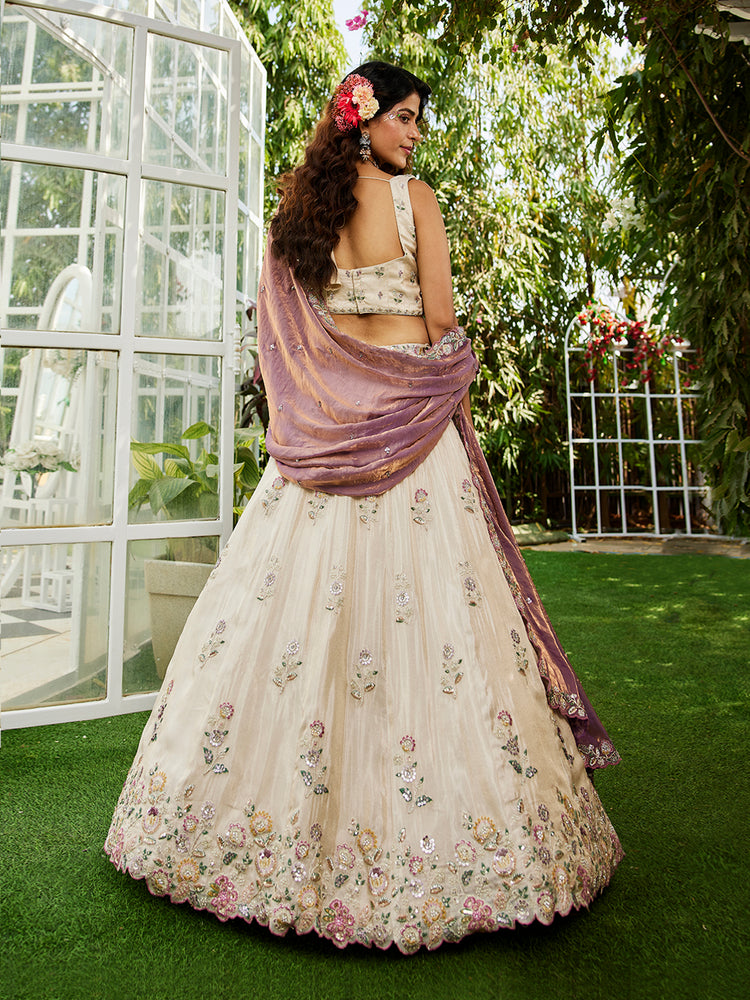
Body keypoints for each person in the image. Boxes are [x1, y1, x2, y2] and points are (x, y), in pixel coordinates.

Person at [106, 62, 623, 954]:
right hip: (415, 433)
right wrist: (444, 381)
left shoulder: (301, 212)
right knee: (443, 631)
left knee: (290, 621)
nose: (416, 134)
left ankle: (226, 829)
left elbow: (284, 341)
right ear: (367, 116)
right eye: (407, 117)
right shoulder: (415, 201)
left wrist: (339, 397)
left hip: (326, 436)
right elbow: (440, 325)